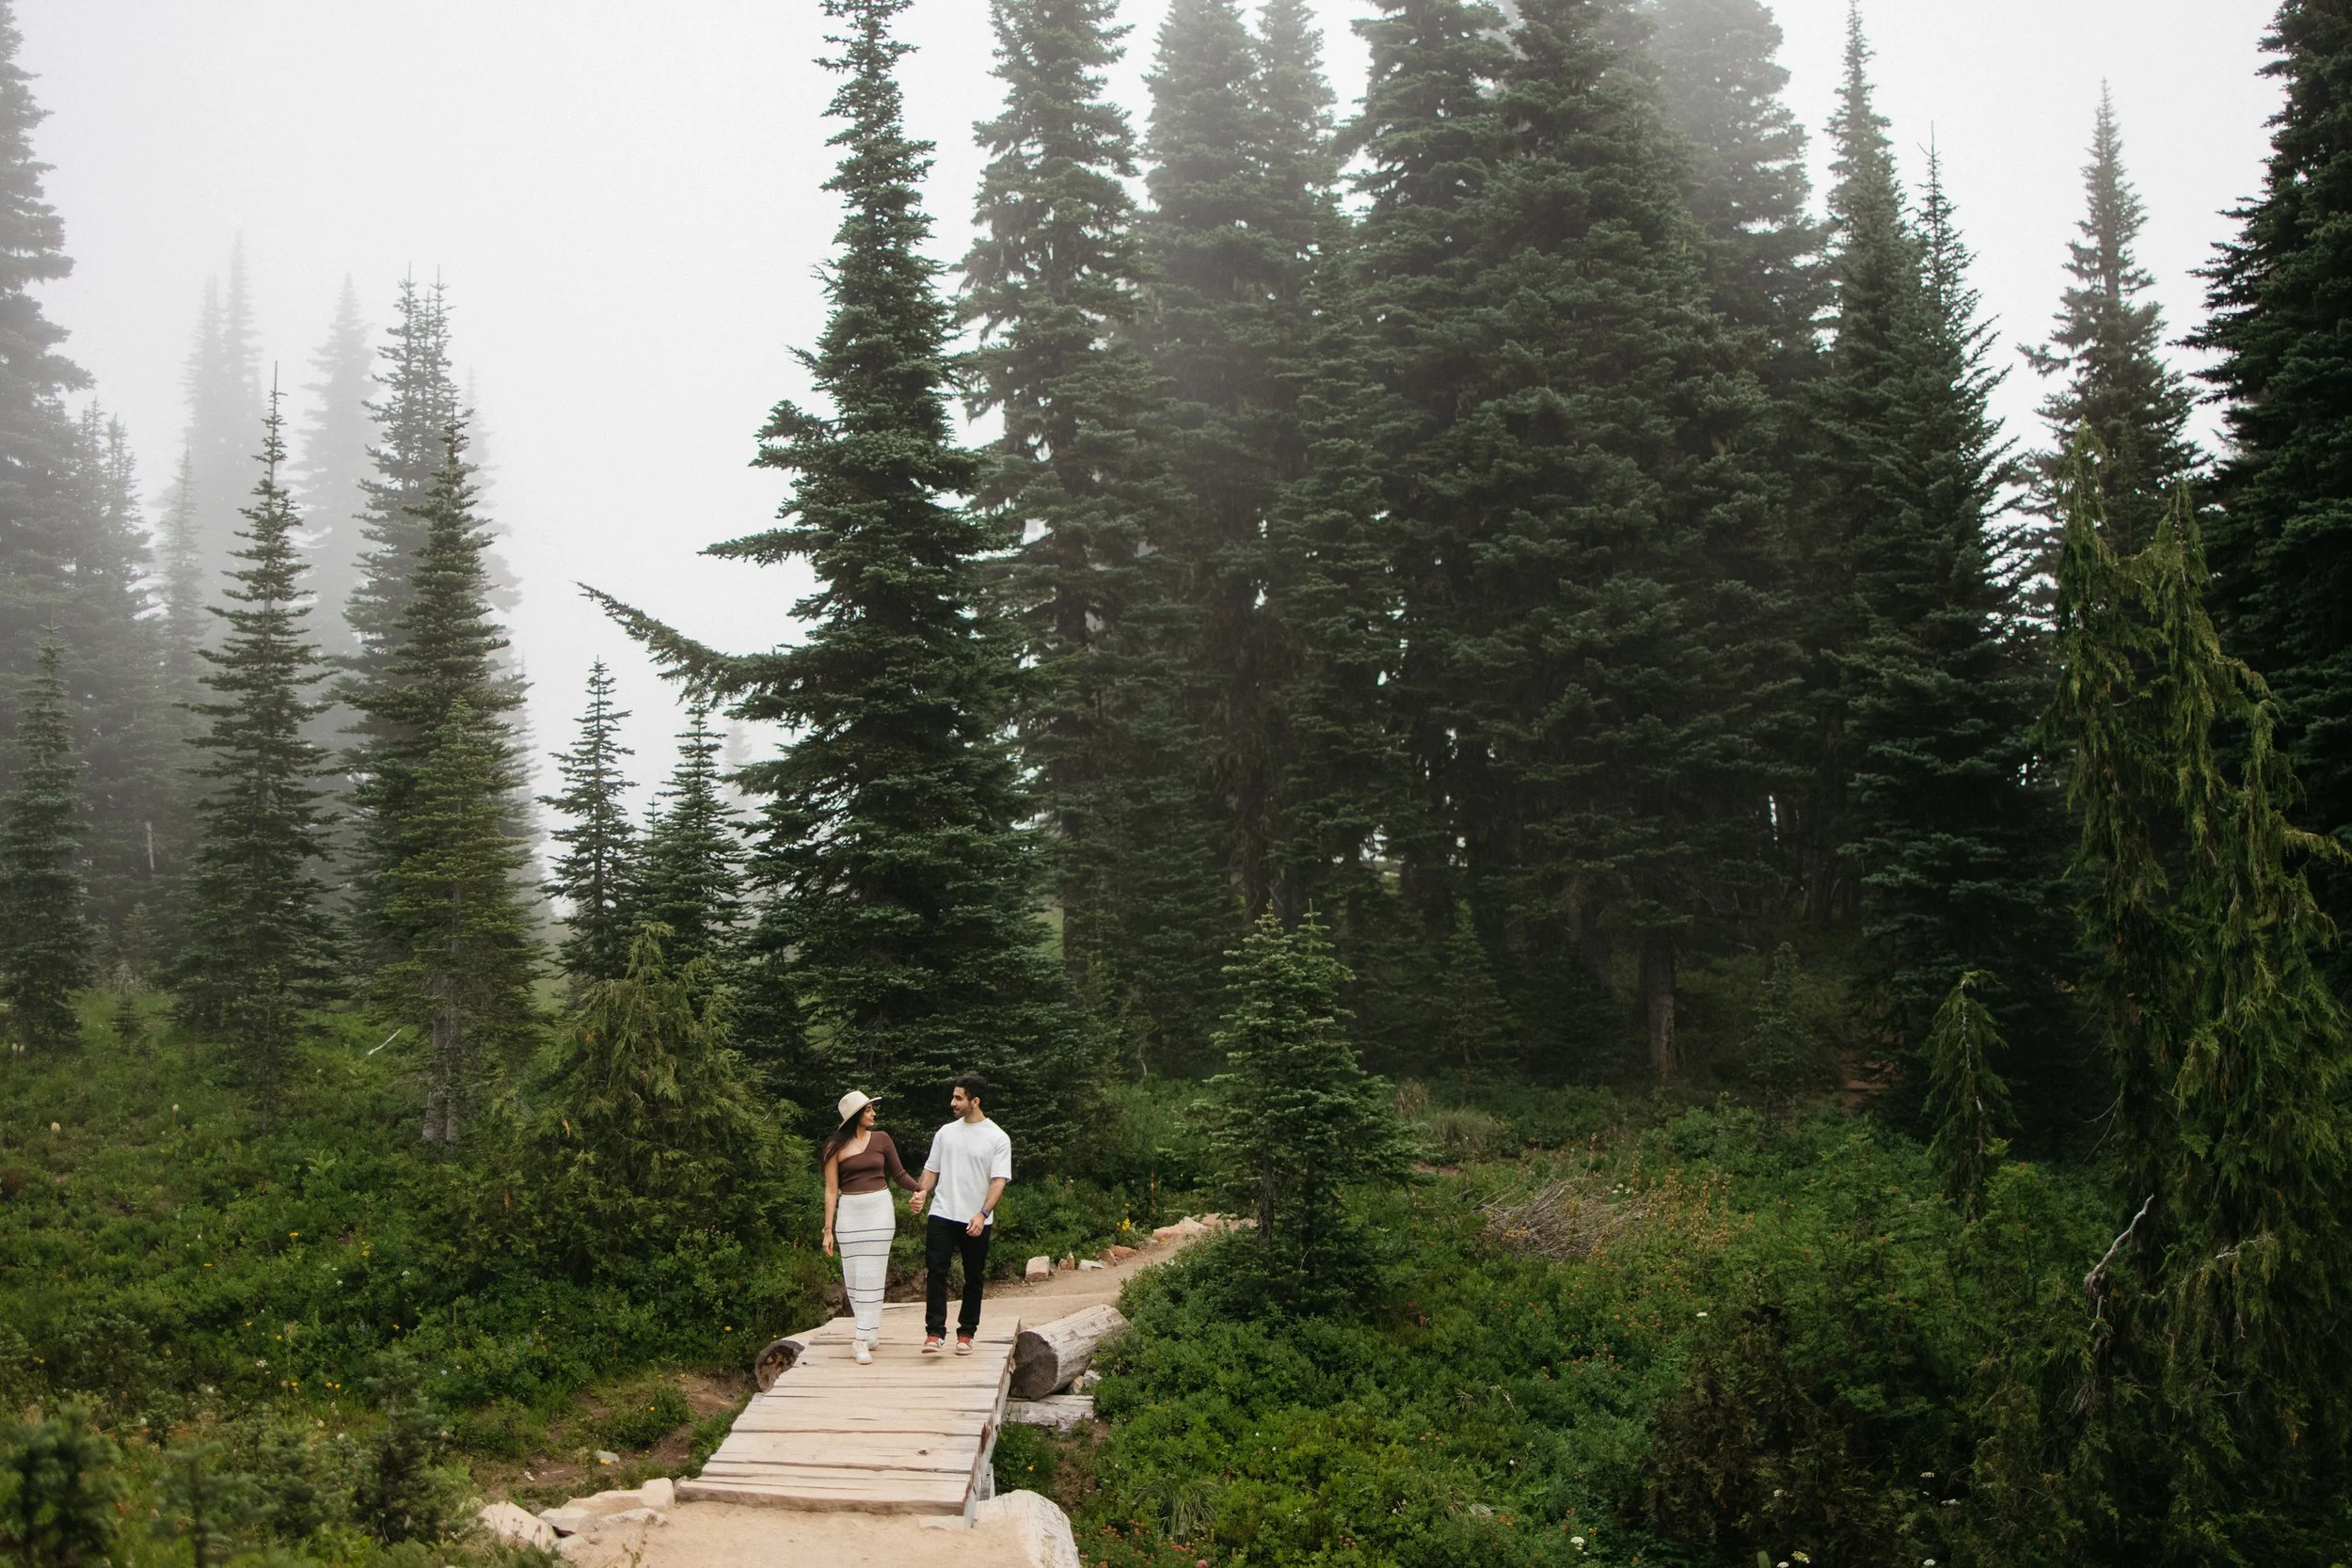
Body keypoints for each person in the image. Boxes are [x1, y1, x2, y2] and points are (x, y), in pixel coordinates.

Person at [908, 1073, 1011, 1355]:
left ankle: (966, 1333)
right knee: (936, 1272)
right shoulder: (945, 1133)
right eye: (953, 1097)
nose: (952, 1102)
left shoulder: (998, 1138)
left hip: (976, 1218)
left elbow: (998, 1181)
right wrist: (921, 1192)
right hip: (942, 1212)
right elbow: (932, 1169)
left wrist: (982, 1213)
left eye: (958, 1098)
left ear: (974, 1101)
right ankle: (934, 1333)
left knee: (973, 1277)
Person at [819, 1089, 921, 1365]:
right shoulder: (834, 1148)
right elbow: (831, 1191)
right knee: (854, 1277)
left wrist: (921, 1189)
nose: (873, 1113)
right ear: (855, 1116)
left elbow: (898, 1174)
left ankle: (860, 1338)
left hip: (879, 1211)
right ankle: (869, 1329)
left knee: (872, 1275)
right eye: (868, 1110)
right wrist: (828, 1230)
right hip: (850, 1213)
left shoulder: (882, 1139)